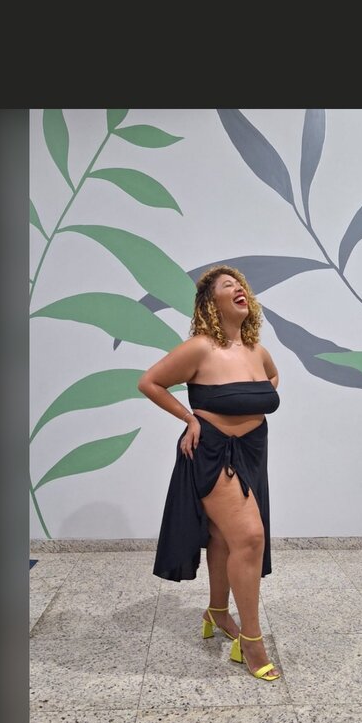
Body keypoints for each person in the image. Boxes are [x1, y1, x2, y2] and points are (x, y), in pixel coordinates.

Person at [137, 264, 281, 681]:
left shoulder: (257, 351)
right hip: (214, 451)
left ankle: (217, 611)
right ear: (210, 302)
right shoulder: (200, 348)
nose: (238, 288)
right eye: (227, 285)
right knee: (250, 537)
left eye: (240, 284)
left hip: (252, 451)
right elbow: (150, 382)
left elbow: (272, 379)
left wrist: (254, 400)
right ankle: (251, 640)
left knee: (224, 537)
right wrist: (191, 417)